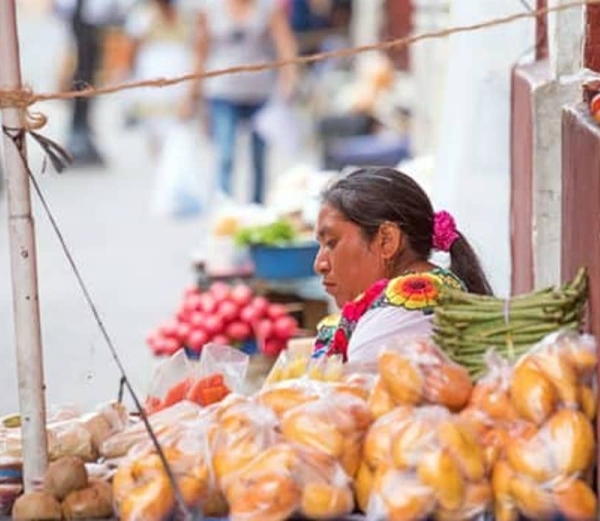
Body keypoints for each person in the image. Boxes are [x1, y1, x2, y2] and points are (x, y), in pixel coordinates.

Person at [312, 167, 492, 370]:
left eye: (331, 243)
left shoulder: (402, 312)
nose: (319, 264)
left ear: (387, 240)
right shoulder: (437, 290)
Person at [183, 0, 299, 204]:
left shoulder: (267, 8)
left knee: (259, 159)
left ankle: (257, 209)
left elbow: (285, 44)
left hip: (260, 92)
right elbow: (200, 52)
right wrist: (191, 94)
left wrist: (289, 79)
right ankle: (223, 208)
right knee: (225, 154)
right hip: (223, 92)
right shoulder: (210, 9)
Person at [55, 0, 135, 166]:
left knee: (89, 76)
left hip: (91, 24)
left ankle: (82, 129)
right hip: (84, 23)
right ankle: (78, 132)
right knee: (83, 75)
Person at [123, 0, 192, 157]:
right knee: (157, 143)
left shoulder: (185, 15)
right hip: (153, 88)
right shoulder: (143, 16)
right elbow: (131, 54)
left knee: (177, 142)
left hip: (179, 88)